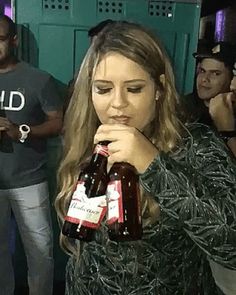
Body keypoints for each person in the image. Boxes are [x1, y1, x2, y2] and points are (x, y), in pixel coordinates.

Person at [55, 21, 236, 295]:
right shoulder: (87, 140)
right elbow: (84, 253)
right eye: (103, 89)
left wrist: (154, 164)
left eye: (134, 89)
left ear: (159, 88)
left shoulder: (196, 144)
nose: (117, 104)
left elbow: (231, 245)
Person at [0, 15, 63, 295]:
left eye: (0, 39)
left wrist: (21, 131)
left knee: (40, 252)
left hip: (29, 181)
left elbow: (57, 122)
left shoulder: (38, 79)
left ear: (13, 41)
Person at [182, 41, 236, 156]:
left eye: (215, 73)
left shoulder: (232, 114)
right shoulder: (181, 106)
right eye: (202, 71)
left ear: (232, 78)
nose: (205, 79)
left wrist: (227, 131)